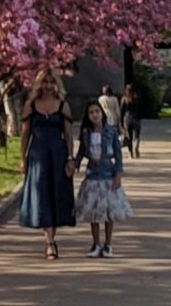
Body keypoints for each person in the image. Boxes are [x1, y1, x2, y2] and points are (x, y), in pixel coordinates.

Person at [19, 67, 76, 259]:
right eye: (45, 82)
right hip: (38, 155)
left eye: (52, 82)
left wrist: (70, 158)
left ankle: (52, 239)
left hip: (58, 154)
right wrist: (22, 158)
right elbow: (25, 134)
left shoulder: (63, 106)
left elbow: (68, 135)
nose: (49, 86)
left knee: (55, 195)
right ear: (39, 83)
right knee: (41, 196)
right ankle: (49, 242)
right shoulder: (31, 105)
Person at [74, 99, 132, 256]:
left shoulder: (111, 131)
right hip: (92, 174)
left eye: (97, 112)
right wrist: (75, 164)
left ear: (102, 113)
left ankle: (108, 244)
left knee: (108, 212)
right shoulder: (86, 132)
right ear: (88, 115)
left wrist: (118, 174)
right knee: (93, 212)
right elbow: (81, 151)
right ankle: (95, 244)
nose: (94, 115)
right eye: (91, 112)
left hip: (108, 174)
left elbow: (118, 154)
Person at [120, 83, 142, 159]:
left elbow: (122, 111)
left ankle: (131, 153)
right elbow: (140, 109)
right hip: (136, 119)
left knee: (129, 137)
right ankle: (136, 147)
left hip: (127, 119)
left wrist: (121, 123)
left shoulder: (124, 99)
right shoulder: (137, 98)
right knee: (137, 136)